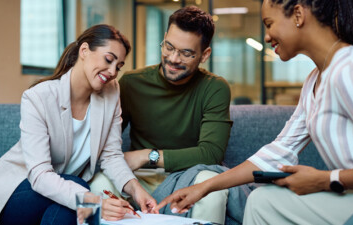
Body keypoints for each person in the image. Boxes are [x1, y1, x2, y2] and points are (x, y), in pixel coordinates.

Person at [156, 0, 353, 224]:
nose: (267, 36)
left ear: (298, 14)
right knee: (262, 200)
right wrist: (203, 187)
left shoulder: (351, 68)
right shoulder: (314, 80)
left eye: (269, 24)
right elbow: (278, 152)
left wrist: (326, 180)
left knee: (264, 204)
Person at [0, 24, 156, 225]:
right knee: (82, 194)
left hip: (62, 194)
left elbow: (111, 155)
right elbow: (40, 176)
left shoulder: (111, 92)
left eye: (119, 66)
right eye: (109, 59)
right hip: (15, 192)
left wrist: (135, 188)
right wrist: (94, 202)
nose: (113, 71)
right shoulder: (38, 97)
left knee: (72, 207)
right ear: (84, 51)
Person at [89, 6, 242, 224]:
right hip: (139, 178)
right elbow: (102, 140)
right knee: (99, 185)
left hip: (189, 176)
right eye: (168, 46)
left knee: (213, 188)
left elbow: (211, 154)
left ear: (204, 55)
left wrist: (146, 155)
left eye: (186, 53)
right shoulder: (132, 83)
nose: (173, 58)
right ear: (164, 39)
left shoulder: (215, 88)